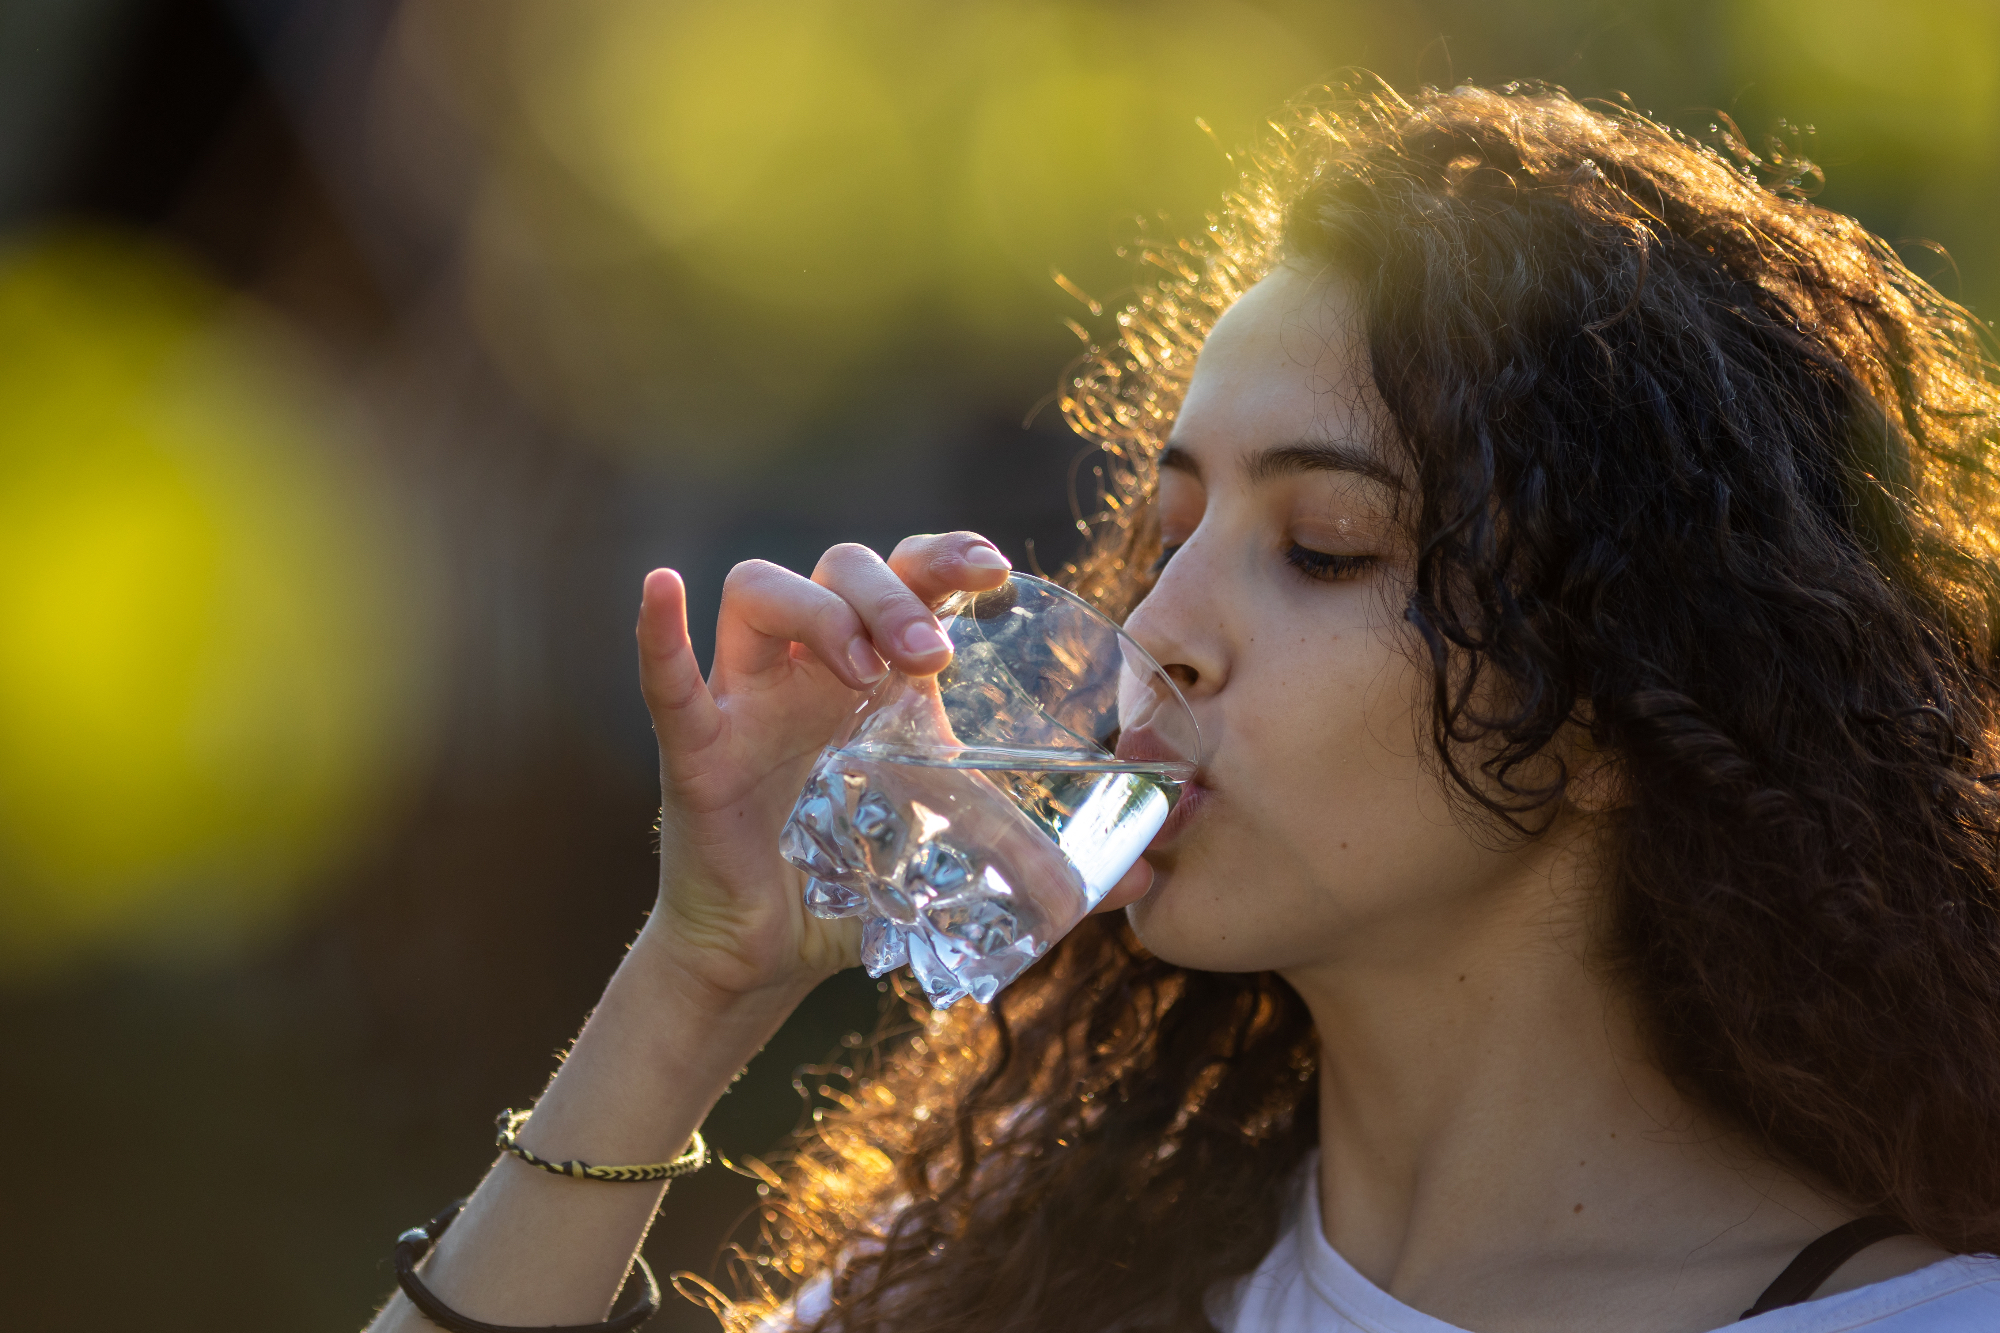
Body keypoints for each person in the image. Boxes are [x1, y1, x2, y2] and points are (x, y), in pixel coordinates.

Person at [366, 81, 2000, 1333]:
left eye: (1323, 547)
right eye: (1165, 533)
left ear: (1620, 705)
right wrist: (695, 985)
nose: (1155, 628)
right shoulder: (1007, 1282)